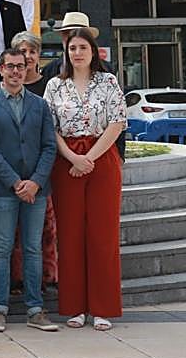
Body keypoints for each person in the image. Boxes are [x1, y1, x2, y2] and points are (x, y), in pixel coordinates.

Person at [45, 29, 126, 331]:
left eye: (82, 47)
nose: (77, 53)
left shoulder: (108, 82)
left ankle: (103, 307)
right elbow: (50, 128)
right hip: (67, 161)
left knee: (103, 234)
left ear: (93, 51)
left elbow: (117, 122)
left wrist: (88, 158)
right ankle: (75, 306)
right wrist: (72, 158)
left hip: (101, 157)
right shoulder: (55, 85)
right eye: (72, 48)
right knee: (70, 234)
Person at [0, 49, 59, 334]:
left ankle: (35, 309)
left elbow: (49, 146)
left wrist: (35, 182)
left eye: (20, 67)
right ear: (0, 69)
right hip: (3, 188)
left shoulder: (40, 105)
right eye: (10, 66)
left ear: (27, 69)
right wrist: (15, 182)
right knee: (1, 248)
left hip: (36, 189)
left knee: (33, 247)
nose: (15, 72)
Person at [8, 31, 60, 299]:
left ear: (39, 55)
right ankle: (18, 277)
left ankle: (50, 275)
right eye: (22, 51)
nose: (27, 57)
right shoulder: (8, 88)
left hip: (44, 168)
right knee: (17, 228)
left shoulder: (49, 88)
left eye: (32, 51)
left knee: (48, 226)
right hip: (15, 170)